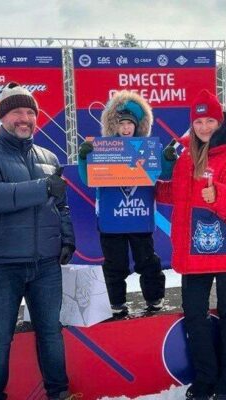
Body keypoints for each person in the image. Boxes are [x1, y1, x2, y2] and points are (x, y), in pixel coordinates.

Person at [0, 82, 76, 400]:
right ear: (2, 116)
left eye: (30, 111)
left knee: (51, 332)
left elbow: (61, 205)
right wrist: (43, 187)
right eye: (16, 111)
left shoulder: (49, 155)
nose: (24, 117)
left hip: (45, 263)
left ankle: (59, 393)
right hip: (1, 265)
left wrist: (66, 238)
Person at [156, 89, 226, 400]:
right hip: (192, 251)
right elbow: (172, 197)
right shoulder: (184, 153)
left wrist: (218, 193)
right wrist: (160, 174)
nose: (203, 126)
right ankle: (205, 377)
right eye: (198, 120)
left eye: (210, 120)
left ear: (220, 120)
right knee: (194, 314)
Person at [77, 90, 166, 317]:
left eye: (130, 124)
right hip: (112, 221)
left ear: (138, 126)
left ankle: (155, 298)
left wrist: (168, 160)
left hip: (139, 219)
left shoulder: (147, 148)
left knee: (147, 262)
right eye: (122, 123)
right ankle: (116, 302)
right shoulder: (103, 149)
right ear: (113, 125)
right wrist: (84, 158)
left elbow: (163, 173)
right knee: (115, 265)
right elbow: (88, 178)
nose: (126, 128)